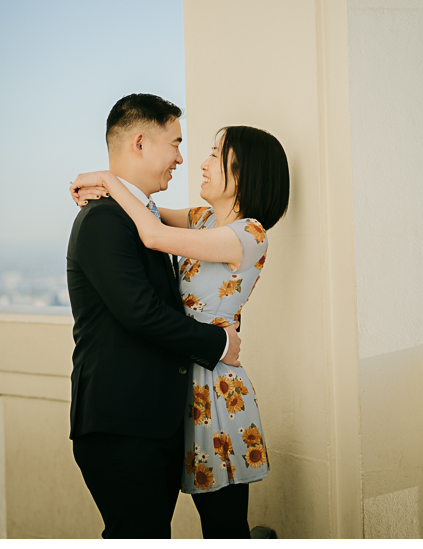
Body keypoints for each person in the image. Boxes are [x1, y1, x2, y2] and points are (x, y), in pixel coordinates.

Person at [70, 119, 290, 539]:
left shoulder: (248, 235)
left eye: (214, 154)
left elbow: (152, 235)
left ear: (242, 173)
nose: (201, 163)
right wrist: (106, 190)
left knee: (223, 526)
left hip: (215, 388)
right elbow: (144, 211)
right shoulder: (203, 218)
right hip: (180, 385)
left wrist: (104, 177)